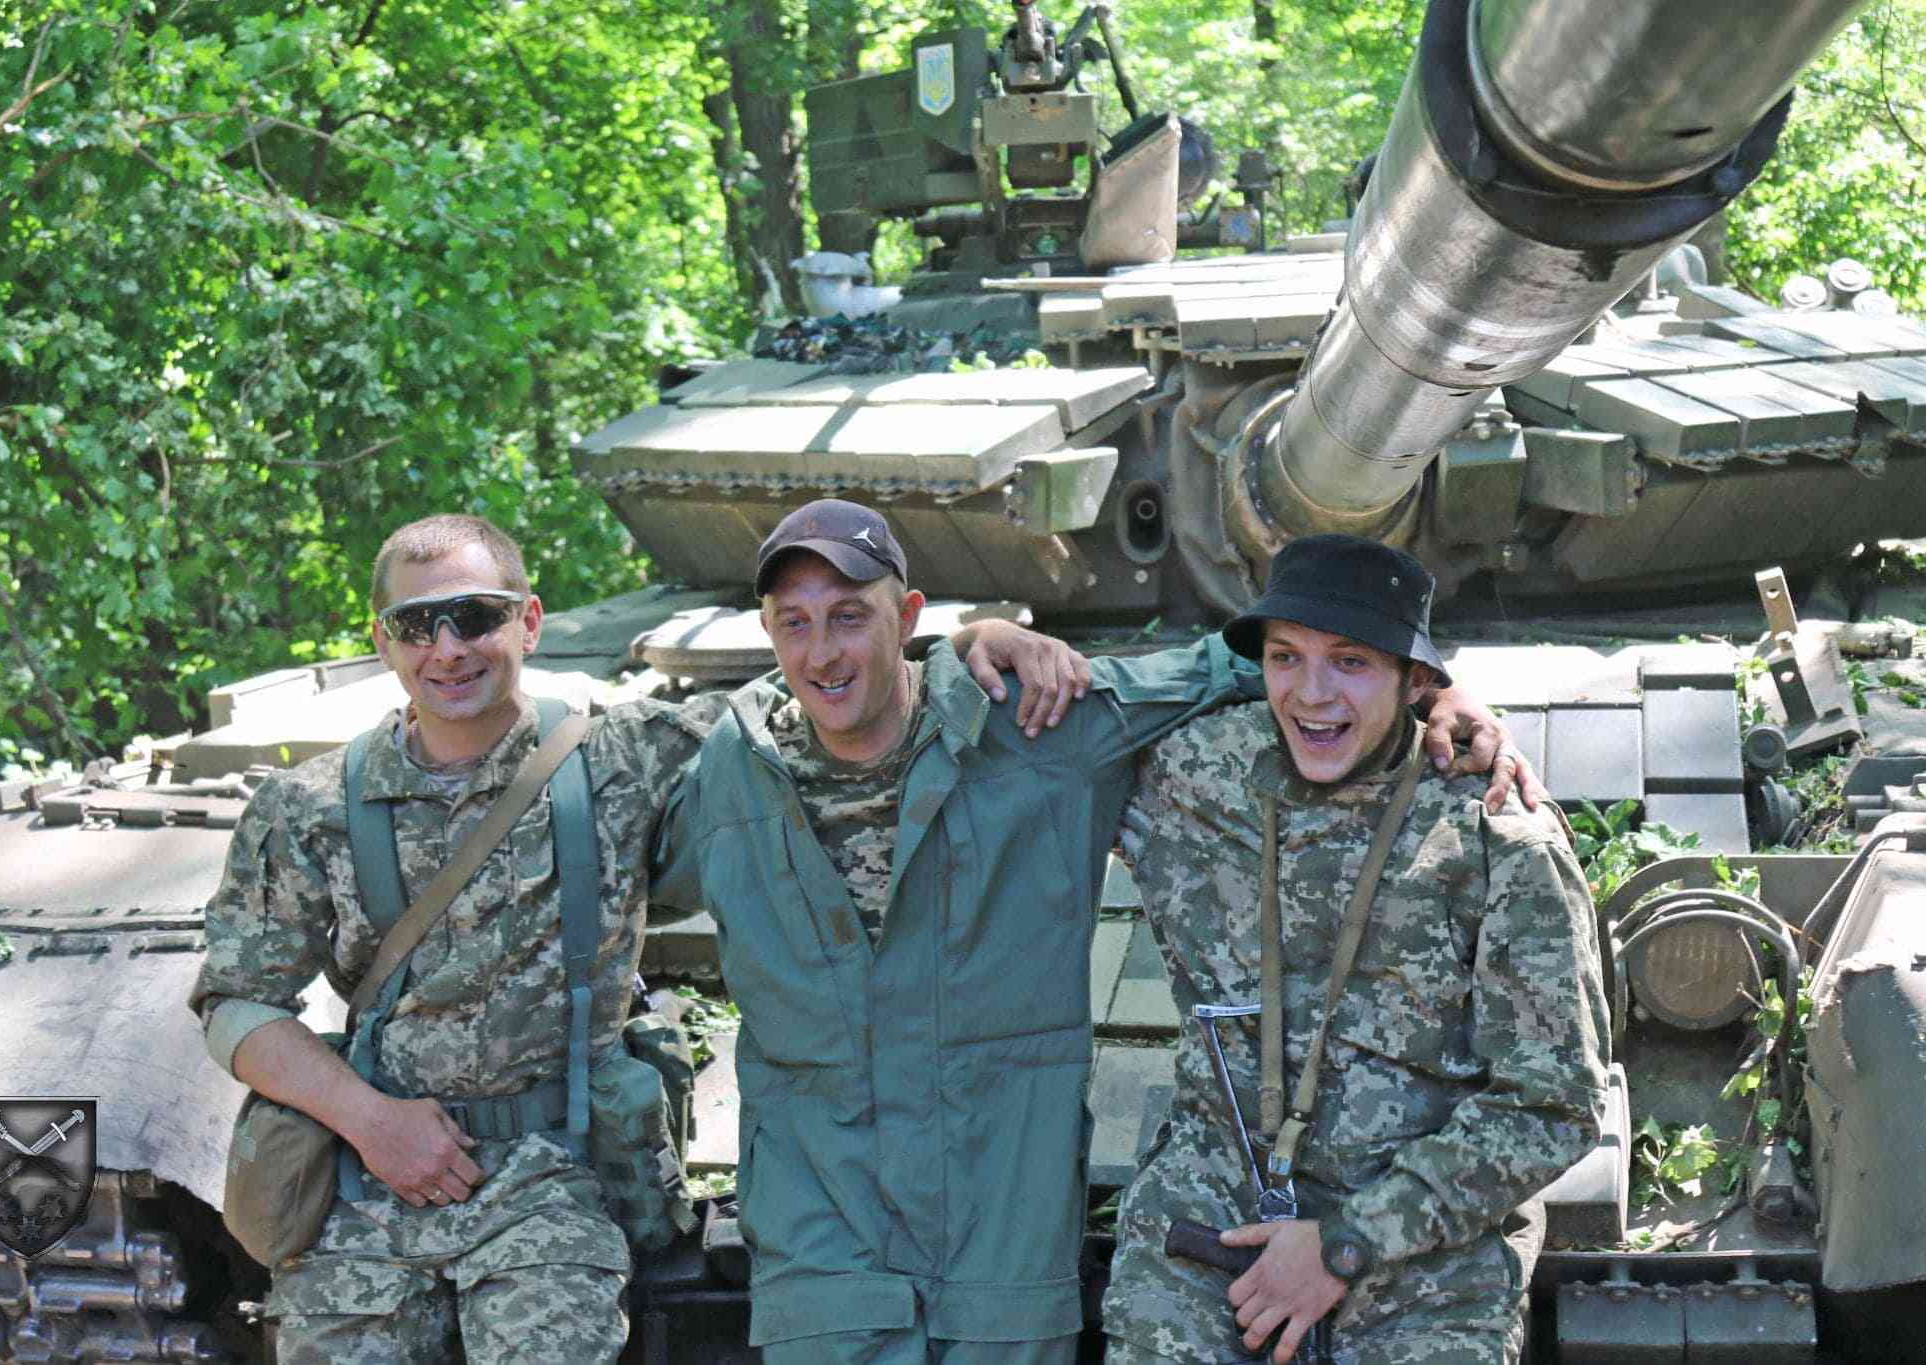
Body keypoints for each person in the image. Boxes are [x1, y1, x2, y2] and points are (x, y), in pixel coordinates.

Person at [651, 501, 1539, 1365]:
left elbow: (1225, 668)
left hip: (999, 1231)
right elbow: (609, 841)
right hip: (824, 1237)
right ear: (766, 630)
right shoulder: (725, 766)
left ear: (907, 617)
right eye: (794, 621)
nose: (822, 650)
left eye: (850, 615)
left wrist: (1435, 685)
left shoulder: (1035, 725)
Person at [191, 512, 1080, 1362]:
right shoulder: (309, 808)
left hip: (558, 1181)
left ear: (529, 622)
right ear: (382, 640)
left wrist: (970, 644)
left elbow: (827, 687)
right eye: (417, 624)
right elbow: (237, 1004)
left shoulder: (625, 757)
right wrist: (370, 1120)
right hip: (371, 1177)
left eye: (476, 616)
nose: (449, 647)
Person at [1101, 534, 1610, 1365]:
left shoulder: (1496, 838)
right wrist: (986, 640)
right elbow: (1031, 724)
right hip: (1214, 1213)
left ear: (1418, 680)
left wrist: (1349, 1242)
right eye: (1285, 657)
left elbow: (1556, 1102)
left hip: (1422, 1250)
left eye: (1351, 661)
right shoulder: (1194, 772)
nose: (1312, 693)